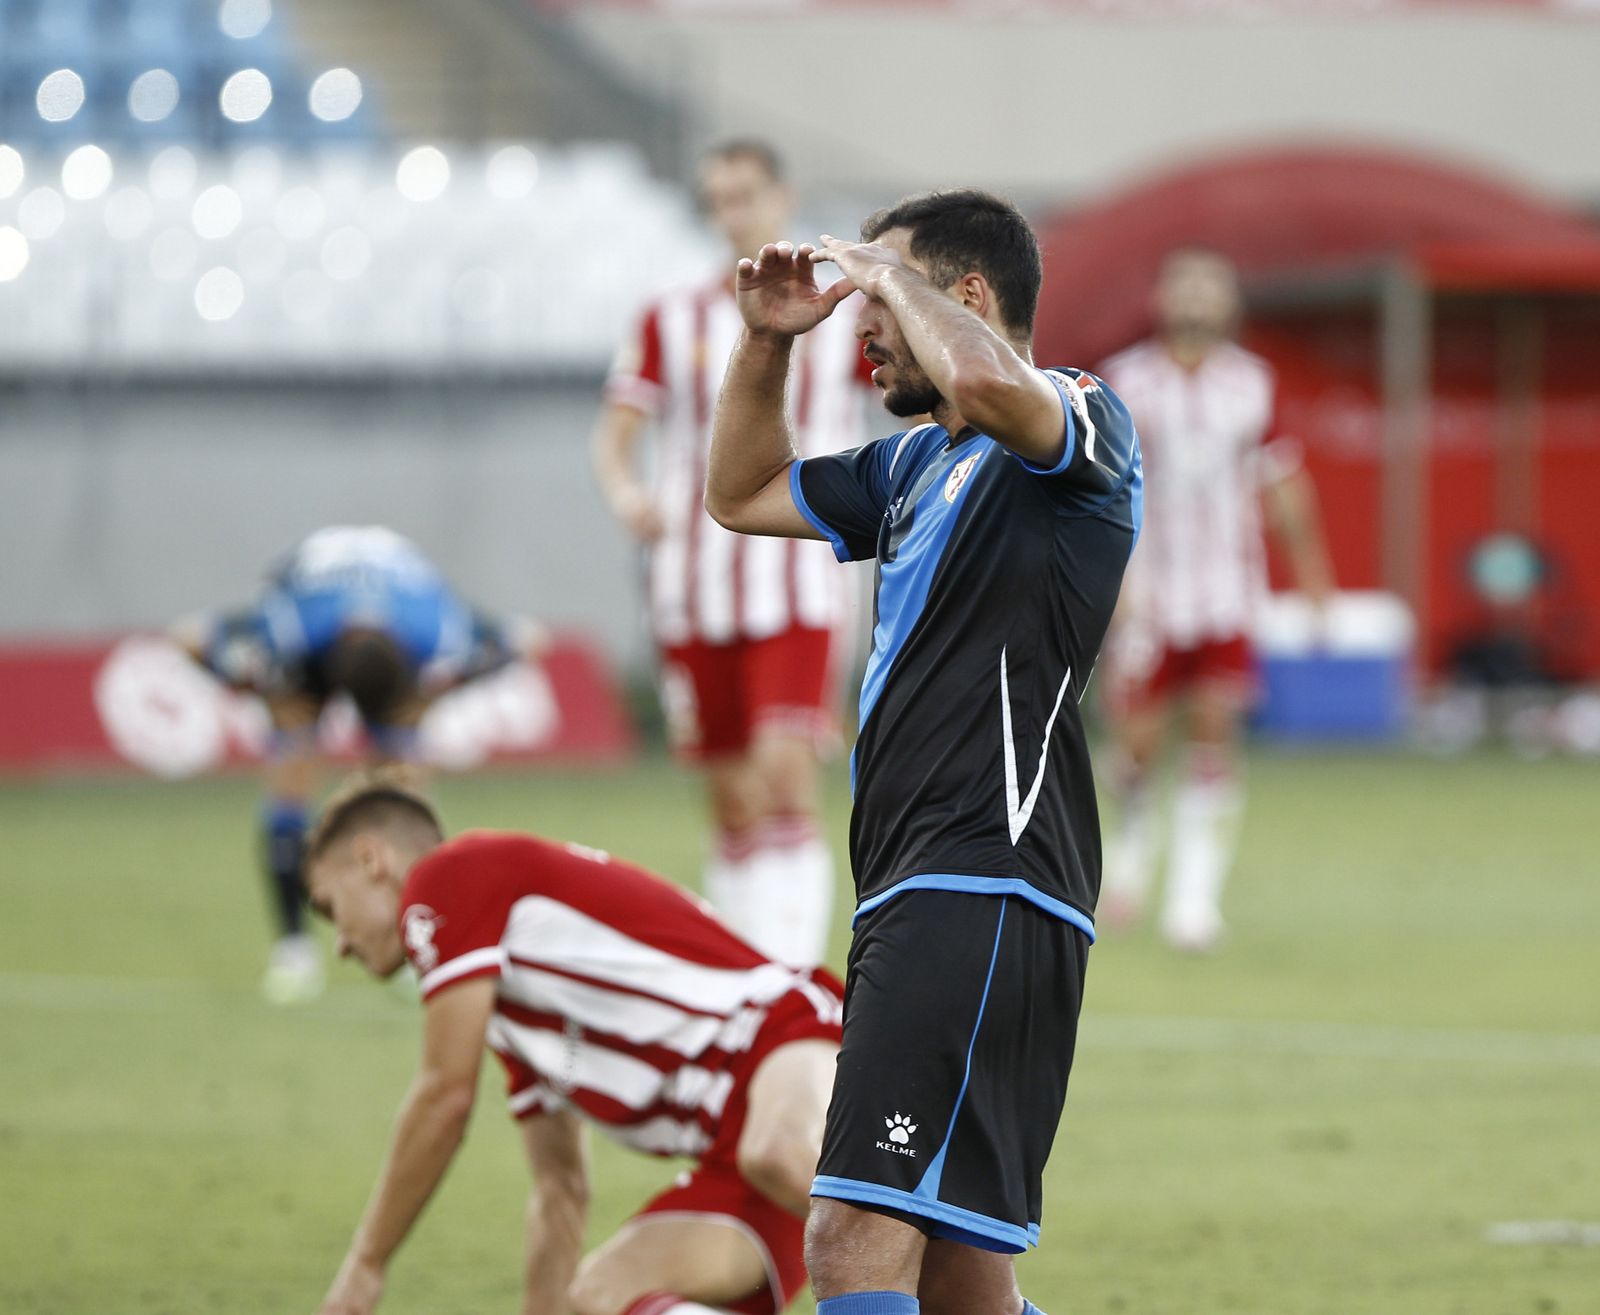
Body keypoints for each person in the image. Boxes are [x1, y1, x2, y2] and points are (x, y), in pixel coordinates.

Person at [703, 191, 1142, 1315]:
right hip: (920, 889)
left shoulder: (1080, 420)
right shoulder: (907, 468)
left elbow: (997, 385)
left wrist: (881, 271)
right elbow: (740, 492)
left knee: (851, 1243)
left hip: (982, 876)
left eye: (881, 295)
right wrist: (763, 342)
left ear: (969, 298)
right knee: (957, 1276)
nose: (862, 320)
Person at [302, 778, 844, 1315]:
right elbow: (559, 1189)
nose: (343, 945)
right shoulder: (517, 1019)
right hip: (733, 1159)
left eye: (330, 909)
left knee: (779, 1152)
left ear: (372, 859)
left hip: (788, 1033)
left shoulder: (444, 878)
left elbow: (445, 1095)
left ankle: (922, 1238)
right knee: (599, 1298)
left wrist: (366, 1263)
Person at [592, 139, 874, 967]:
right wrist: (627, 496)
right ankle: (745, 969)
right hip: (690, 582)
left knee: (787, 775)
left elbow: (909, 392)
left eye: (746, 194)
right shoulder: (667, 316)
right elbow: (616, 437)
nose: (734, 213)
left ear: (782, 196)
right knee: (730, 794)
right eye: (719, 199)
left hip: (799, 577)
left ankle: (787, 975)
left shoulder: (841, 311)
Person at [173, 525, 537, 1004]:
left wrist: (440, 693)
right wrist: (259, 686)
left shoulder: (437, 624)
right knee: (293, 772)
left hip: (392, 628)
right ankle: (294, 949)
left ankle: (414, 943)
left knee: (405, 791)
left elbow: (529, 640)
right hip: (311, 647)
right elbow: (187, 639)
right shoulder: (289, 626)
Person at [1096, 248, 1334, 951]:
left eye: (1210, 286)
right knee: (1137, 744)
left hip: (1227, 591)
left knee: (1214, 730)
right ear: (1163, 298)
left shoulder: (1252, 385)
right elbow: (1101, 489)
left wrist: (1315, 579)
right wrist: (1110, 582)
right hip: (1149, 594)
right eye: (1185, 285)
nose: (1197, 298)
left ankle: (1193, 903)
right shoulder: (1126, 380)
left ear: (1229, 302)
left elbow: (1283, 480)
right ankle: (1133, 845)